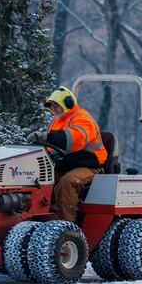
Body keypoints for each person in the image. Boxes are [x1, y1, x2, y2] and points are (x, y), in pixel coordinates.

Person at [27, 87, 106, 222]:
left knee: (67, 182)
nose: (54, 109)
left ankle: (66, 223)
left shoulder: (82, 117)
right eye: (52, 107)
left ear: (68, 103)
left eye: (56, 105)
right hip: (67, 164)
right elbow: (52, 145)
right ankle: (38, 217)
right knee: (38, 178)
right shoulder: (57, 121)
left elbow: (74, 139)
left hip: (89, 165)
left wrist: (46, 137)